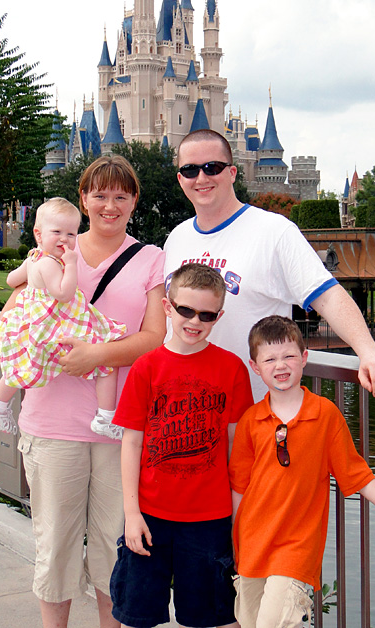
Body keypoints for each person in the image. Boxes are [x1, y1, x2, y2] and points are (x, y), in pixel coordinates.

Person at [2, 155, 166, 628]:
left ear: (135, 200)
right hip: (53, 426)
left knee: (117, 549)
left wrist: (95, 355)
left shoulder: (149, 259)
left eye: (121, 195)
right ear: (83, 199)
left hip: (122, 430)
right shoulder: (50, 253)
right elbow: (9, 319)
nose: (109, 205)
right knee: (55, 547)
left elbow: (154, 337)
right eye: (100, 195)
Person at [164, 128, 375, 401]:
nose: (201, 178)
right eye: (190, 170)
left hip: (253, 416)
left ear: (232, 173)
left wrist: (368, 351)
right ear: (180, 178)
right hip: (183, 414)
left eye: (212, 167)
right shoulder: (177, 238)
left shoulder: (274, 231)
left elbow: (327, 295)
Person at [229, 315, 375, 628]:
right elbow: (239, 487)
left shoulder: (324, 414)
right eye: (270, 359)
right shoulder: (251, 420)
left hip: (296, 548)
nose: (281, 365)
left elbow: (354, 471)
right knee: (250, 621)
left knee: (274, 622)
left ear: (304, 358)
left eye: (289, 356)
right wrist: (233, 540)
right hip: (252, 543)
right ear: (256, 367)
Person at [110, 263, 254, 628]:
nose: (195, 321)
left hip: (210, 518)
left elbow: (238, 447)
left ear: (219, 316)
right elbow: (131, 443)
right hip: (151, 515)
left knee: (217, 616)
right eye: (185, 310)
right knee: (135, 614)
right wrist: (131, 514)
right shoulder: (146, 367)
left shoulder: (232, 368)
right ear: (167, 307)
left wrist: (239, 517)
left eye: (206, 314)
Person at [0, 197, 127, 439]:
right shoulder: (50, 264)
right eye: (57, 232)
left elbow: (10, 280)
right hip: (53, 327)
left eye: (71, 234)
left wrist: (30, 282)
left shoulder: (33, 259)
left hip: (36, 325)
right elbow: (64, 294)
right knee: (105, 359)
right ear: (39, 234)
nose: (64, 239)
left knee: (21, 364)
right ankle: (106, 416)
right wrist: (70, 265)